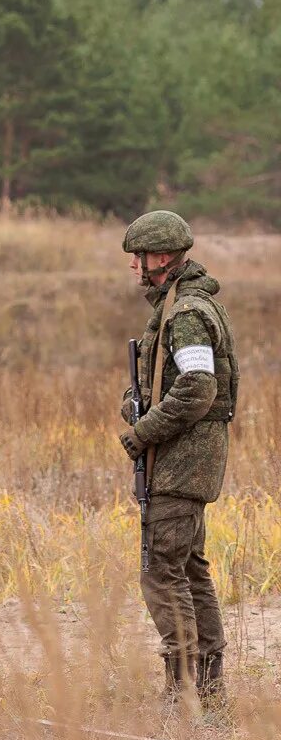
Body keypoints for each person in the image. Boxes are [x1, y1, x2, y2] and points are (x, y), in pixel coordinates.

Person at [119, 210, 235, 705]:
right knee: (189, 569)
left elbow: (197, 388)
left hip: (180, 463)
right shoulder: (179, 306)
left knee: (161, 572)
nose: (135, 268)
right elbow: (176, 382)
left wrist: (142, 432)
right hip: (186, 462)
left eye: (140, 258)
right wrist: (136, 400)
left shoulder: (186, 312)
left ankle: (183, 687)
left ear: (161, 257)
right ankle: (206, 689)